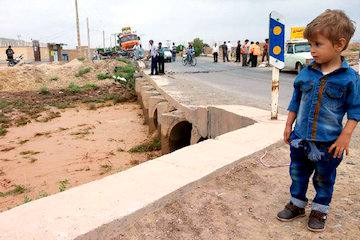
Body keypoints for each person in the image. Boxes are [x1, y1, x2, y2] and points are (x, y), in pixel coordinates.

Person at [277, 10, 359, 232]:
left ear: (339, 45)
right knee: (297, 173)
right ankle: (297, 204)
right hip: (300, 139)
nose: (311, 50)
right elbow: (296, 100)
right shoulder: (306, 73)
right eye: (310, 44)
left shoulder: (349, 78)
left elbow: (355, 111)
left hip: (329, 144)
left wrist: (345, 136)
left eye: (317, 44)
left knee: (324, 178)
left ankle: (320, 209)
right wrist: (288, 126)